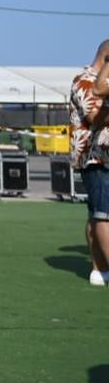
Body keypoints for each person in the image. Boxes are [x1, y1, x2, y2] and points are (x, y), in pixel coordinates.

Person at [69, 39, 109, 286]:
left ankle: (99, 269)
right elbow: (94, 117)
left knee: (98, 213)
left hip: (102, 156)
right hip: (94, 156)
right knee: (104, 214)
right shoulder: (83, 81)